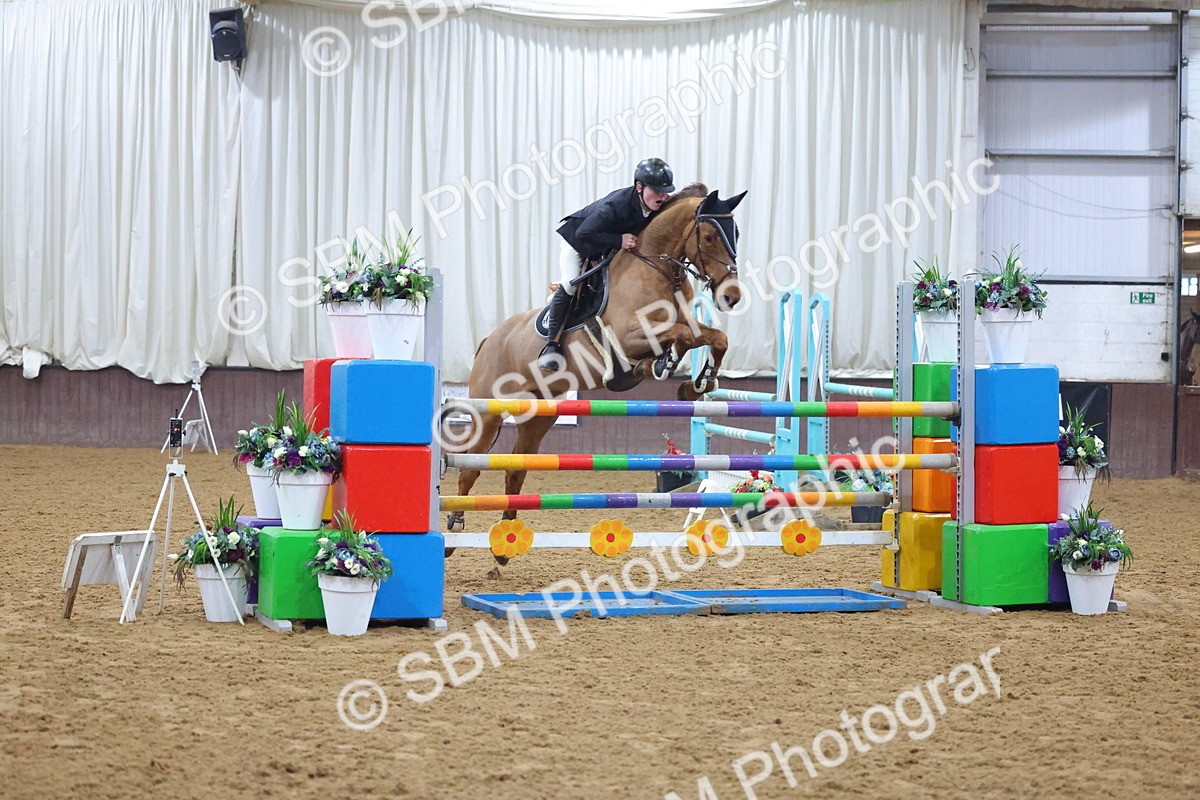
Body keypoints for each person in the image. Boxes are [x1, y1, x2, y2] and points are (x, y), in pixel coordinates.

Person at [537, 157, 676, 371]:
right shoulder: (617, 204)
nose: (662, 196)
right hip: (577, 242)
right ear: (639, 187)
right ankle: (551, 346)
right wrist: (618, 240)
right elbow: (585, 232)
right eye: (657, 190)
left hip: (603, 247)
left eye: (665, 190)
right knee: (570, 283)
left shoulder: (656, 204)